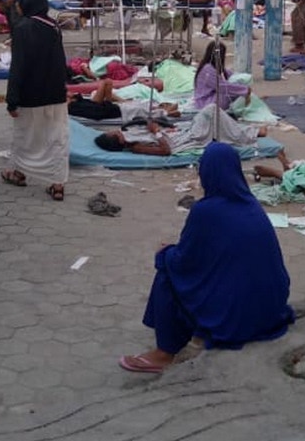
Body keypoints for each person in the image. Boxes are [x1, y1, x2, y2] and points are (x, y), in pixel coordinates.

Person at [119, 142, 293, 374]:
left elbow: (183, 262)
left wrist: (165, 252)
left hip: (238, 316)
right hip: (271, 309)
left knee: (166, 269)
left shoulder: (206, 210)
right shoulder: (251, 204)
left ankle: (164, 353)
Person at [1, 0, 70, 199]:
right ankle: (57, 184)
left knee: (25, 136)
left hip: (30, 95)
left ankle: (19, 173)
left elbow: (18, 67)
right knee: (56, 137)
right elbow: (60, 61)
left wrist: (12, 99)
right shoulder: (53, 26)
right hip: (55, 94)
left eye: (20, 1)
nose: (18, 6)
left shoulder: (23, 28)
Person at [94, 104, 268, 157]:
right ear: (118, 141)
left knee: (215, 120)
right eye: (114, 134)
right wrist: (156, 132)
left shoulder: (130, 134)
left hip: (179, 132)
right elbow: (165, 150)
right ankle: (248, 135)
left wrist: (157, 126)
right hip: (188, 139)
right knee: (211, 111)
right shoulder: (136, 146)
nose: (116, 131)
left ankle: (249, 131)